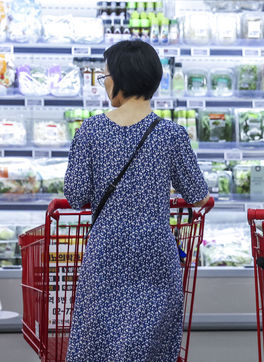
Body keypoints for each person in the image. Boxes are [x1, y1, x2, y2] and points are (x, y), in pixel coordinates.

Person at [64, 40, 209, 361]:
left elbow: (75, 197)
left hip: (107, 254)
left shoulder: (89, 131)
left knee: (98, 344)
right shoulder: (172, 134)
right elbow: (198, 196)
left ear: (118, 80)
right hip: (155, 254)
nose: (105, 85)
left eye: (105, 78)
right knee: (150, 346)